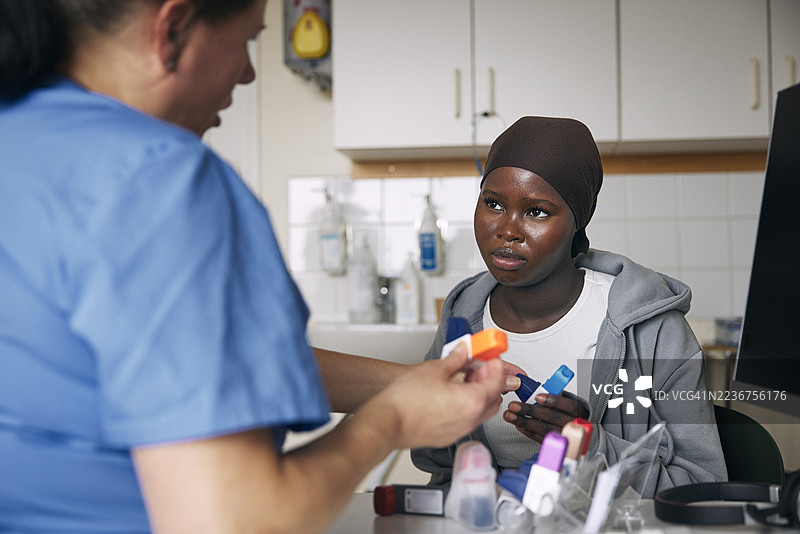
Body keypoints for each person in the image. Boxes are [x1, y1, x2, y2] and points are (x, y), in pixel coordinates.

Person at [0, 1, 515, 532]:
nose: (249, 71)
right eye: (248, 40)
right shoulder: (162, 181)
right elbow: (239, 520)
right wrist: (396, 419)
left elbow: (199, 362)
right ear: (172, 28)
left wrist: (411, 381)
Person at [411, 116, 728, 497]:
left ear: (577, 221)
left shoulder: (650, 328)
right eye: (493, 203)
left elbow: (703, 485)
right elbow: (440, 469)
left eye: (537, 212)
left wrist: (590, 447)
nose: (507, 230)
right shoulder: (464, 315)